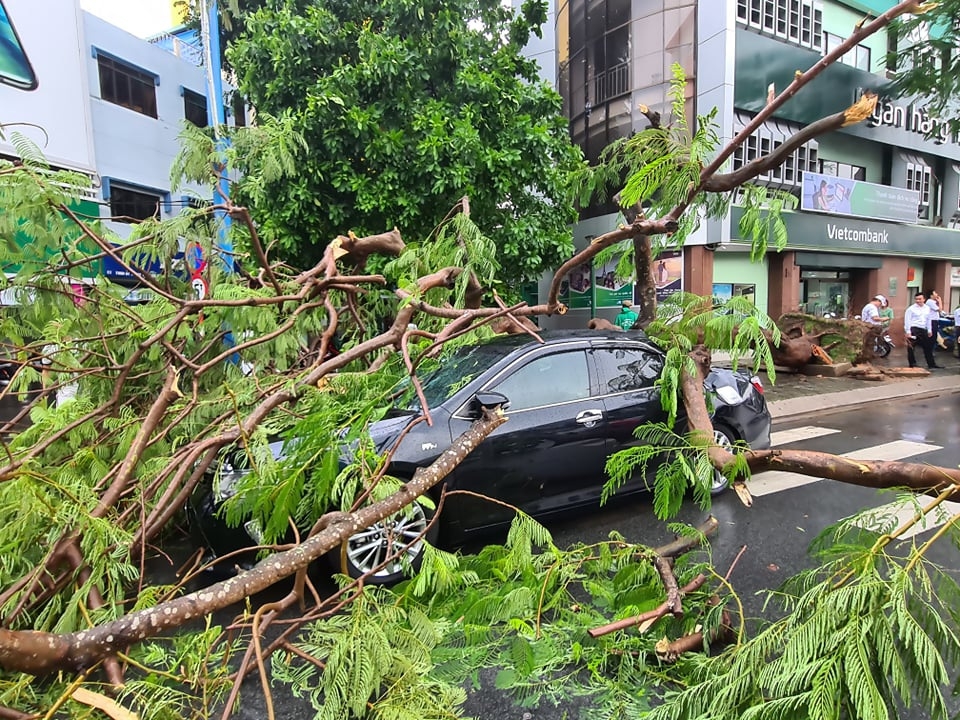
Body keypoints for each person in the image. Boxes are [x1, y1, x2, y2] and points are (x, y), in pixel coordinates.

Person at [904, 291, 941, 369]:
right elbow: (907, 320)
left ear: (924, 299)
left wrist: (929, 330)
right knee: (911, 347)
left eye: (920, 299)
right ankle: (912, 364)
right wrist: (908, 331)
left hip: (923, 328)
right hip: (914, 328)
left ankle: (931, 364)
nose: (918, 301)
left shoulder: (927, 308)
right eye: (916, 299)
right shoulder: (911, 309)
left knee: (928, 346)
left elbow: (928, 319)